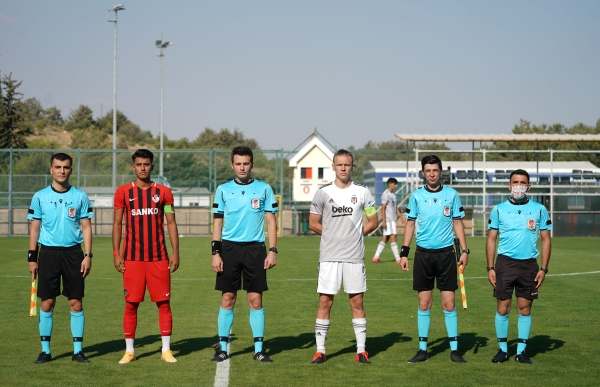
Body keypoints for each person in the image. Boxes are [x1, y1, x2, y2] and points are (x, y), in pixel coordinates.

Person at [309, 149, 378, 364]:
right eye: (339, 165)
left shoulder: (363, 192)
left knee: (357, 302)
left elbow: (373, 221)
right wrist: (332, 235)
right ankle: (320, 350)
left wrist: (357, 234)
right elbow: (313, 223)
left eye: (347, 165)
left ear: (352, 167)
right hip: (329, 256)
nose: (343, 168)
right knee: (325, 302)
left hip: (354, 257)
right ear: (333, 166)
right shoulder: (322, 192)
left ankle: (361, 351)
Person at [211, 146, 278, 363]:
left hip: (255, 250)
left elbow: (271, 221)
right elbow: (218, 223)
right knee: (228, 298)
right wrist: (216, 253)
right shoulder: (222, 190)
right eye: (238, 163)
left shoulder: (264, 189)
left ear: (252, 165)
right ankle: (221, 347)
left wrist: (272, 250)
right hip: (229, 249)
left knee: (255, 300)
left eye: (246, 163)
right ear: (232, 165)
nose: (242, 167)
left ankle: (259, 349)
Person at [398, 154, 469, 363]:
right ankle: (422, 350)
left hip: (447, 255)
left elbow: (457, 223)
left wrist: (465, 251)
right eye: (428, 170)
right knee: (424, 303)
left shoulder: (452, 194)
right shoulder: (416, 196)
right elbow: (410, 224)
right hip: (423, 255)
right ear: (423, 173)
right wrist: (404, 252)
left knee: (449, 303)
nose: (431, 174)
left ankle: (455, 350)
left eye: (435, 170)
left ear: (440, 172)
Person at [112, 149, 180, 364]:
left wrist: (175, 252)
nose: (143, 168)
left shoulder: (164, 193)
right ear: (133, 167)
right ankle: (130, 351)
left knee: (163, 303)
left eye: (147, 164)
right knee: (131, 304)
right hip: (132, 258)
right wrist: (116, 252)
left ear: (152, 167)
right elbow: (117, 224)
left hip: (159, 258)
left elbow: (171, 223)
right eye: (139, 164)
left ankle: (166, 350)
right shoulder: (123, 192)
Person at [27, 152, 94, 364]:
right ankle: (45, 351)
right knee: (47, 303)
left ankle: (78, 351)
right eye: (58, 167)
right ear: (51, 170)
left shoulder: (80, 196)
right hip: (48, 254)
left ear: (71, 170)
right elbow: (35, 228)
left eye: (66, 167)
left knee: (75, 303)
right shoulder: (39, 197)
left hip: (74, 254)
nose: (62, 171)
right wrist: (32, 257)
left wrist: (88, 255)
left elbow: (86, 227)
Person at [486, 169, 552, 364]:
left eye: (523, 182)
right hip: (505, 263)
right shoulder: (498, 209)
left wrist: (543, 269)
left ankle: (521, 352)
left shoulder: (539, 209)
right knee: (503, 308)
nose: (518, 186)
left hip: (529, 265)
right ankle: (503, 350)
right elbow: (491, 239)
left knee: (524, 308)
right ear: (509, 185)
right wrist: (490, 268)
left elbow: (546, 240)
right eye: (515, 182)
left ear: (528, 186)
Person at [372, 177, 404, 263]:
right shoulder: (386, 194)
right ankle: (398, 259)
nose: (396, 186)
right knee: (393, 236)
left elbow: (395, 206)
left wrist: (400, 216)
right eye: (395, 184)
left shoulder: (393, 194)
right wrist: (384, 221)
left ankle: (375, 257)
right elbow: (383, 208)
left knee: (385, 238)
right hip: (388, 219)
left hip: (392, 219)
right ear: (390, 184)